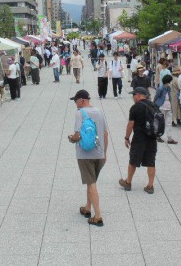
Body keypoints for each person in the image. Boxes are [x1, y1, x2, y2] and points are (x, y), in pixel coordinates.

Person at [68, 90, 109, 227]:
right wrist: (104, 153)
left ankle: (97, 216)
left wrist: (71, 139)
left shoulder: (80, 113)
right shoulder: (99, 111)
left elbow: (77, 135)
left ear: (82, 100)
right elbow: (105, 133)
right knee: (91, 181)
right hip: (99, 154)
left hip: (85, 155)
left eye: (76, 101)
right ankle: (87, 208)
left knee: (91, 183)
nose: (76, 104)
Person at [119, 87, 158, 194]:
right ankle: (150, 186)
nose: (133, 97)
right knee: (151, 162)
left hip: (139, 138)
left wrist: (127, 138)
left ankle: (128, 182)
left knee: (133, 160)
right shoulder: (154, 105)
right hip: (152, 138)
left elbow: (131, 124)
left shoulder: (135, 107)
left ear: (140, 95)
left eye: (134, 95)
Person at [154, 74, 178, 144]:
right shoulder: (160, 88)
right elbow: (156, 97)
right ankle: (158, 136)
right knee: (161, 122)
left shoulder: (169, 88)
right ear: (167, 82)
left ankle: (169, 138)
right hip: (161, 106)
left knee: (169, 122)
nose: (170, 83)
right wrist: (154, 105)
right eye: (170, 81)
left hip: (168, 106)